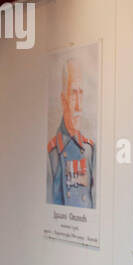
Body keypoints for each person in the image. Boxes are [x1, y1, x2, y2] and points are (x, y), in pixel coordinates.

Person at [47, 57, 96, 207]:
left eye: (81, 93)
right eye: (74, 93)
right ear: (63, 100)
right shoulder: (52, 153)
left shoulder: (89, 149)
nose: (79, 106)